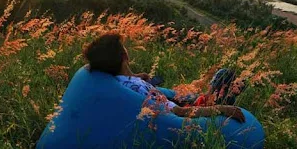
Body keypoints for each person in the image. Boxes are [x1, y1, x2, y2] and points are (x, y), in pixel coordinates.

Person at [83, 32, 245, 123]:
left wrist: (136, 76)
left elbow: (129, 82)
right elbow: (179, 112)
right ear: (124, 55)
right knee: (227, 76)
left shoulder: (117, 81)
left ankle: (214, 94)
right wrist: (222, 109)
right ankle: (220, 98)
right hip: (184, 110)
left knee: (221, 80)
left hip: (172, 100)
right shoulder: (138, 90)